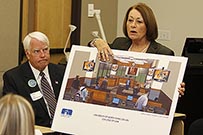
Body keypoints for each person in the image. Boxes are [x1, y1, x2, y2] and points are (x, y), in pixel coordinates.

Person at [89, 2, 185, 96]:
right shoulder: (119, 43)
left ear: (148, 26)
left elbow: (168, 85)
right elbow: (95, 49)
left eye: (139, 22)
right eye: (130, 20)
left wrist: (176, 90)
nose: (133, 25)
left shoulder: (163, 53)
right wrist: (97, 41)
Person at [3, 31, 65, 127]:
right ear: (27, 54)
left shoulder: (62, 72)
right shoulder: (14, 77)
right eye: (37, 51)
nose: (43, 55)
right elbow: (13, 115)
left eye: (45, 50)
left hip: (63, 128)